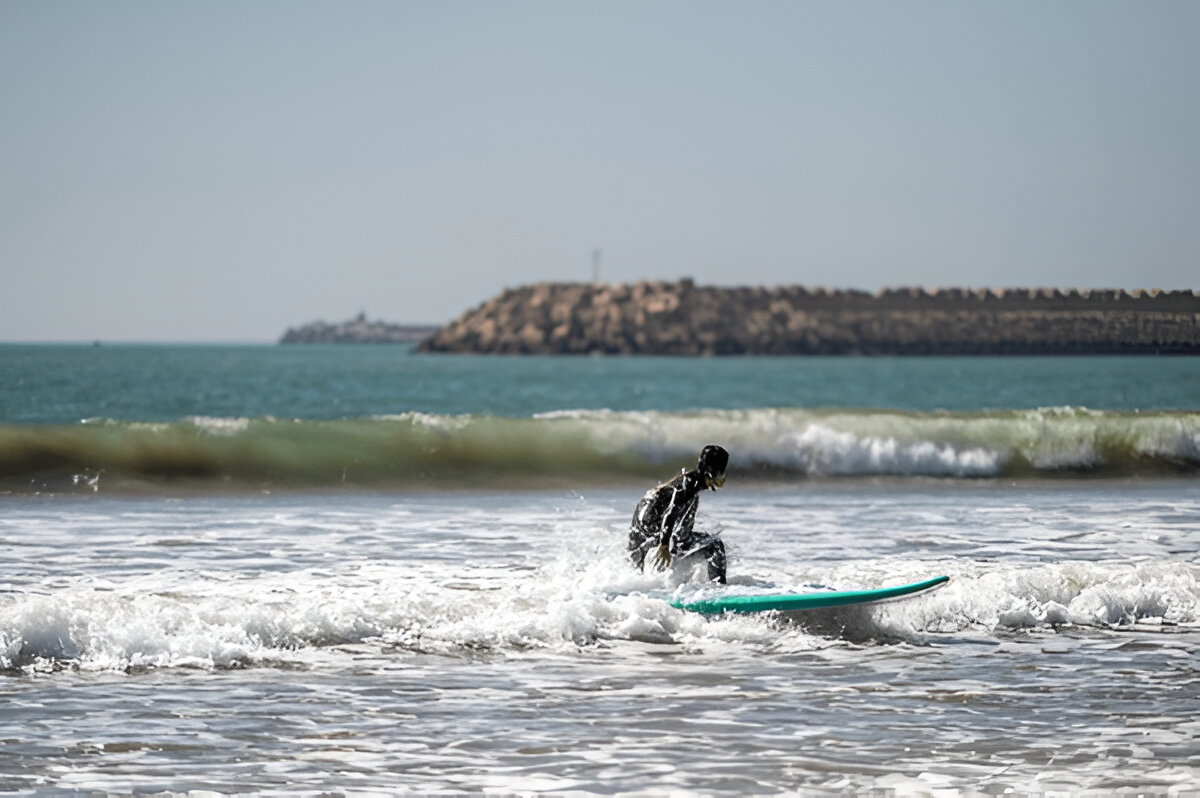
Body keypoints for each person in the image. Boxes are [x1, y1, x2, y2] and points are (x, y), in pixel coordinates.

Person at [628, 444, 729, 584]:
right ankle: (719, 589)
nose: (724, 478)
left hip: (643, 512)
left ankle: (634, 586)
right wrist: (664, 545)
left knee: (636, 563)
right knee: (715, 545)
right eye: (722, 472)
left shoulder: (687, 480)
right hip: (652, 517)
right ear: (712, 473)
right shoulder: (689, 485)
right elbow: (671, 513)